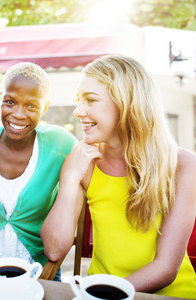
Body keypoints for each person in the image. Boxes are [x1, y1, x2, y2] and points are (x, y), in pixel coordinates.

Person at [41, 55, 196, 298]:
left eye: (90, 100)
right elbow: (53, 249)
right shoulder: (83, 163)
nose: (78, 111)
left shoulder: (183, 166)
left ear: (126, 104)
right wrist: (69, 179)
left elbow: (165, 268)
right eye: (79, 100)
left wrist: (102, 294)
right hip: (96, 290)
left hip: (162, 295)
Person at [0, 62, 77, 280]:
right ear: (0, 98)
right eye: (10, 102)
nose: (18, 114)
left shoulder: (60, 143)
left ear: (45, 108)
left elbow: (92, 167)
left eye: (31, 106)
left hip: (38, 268)